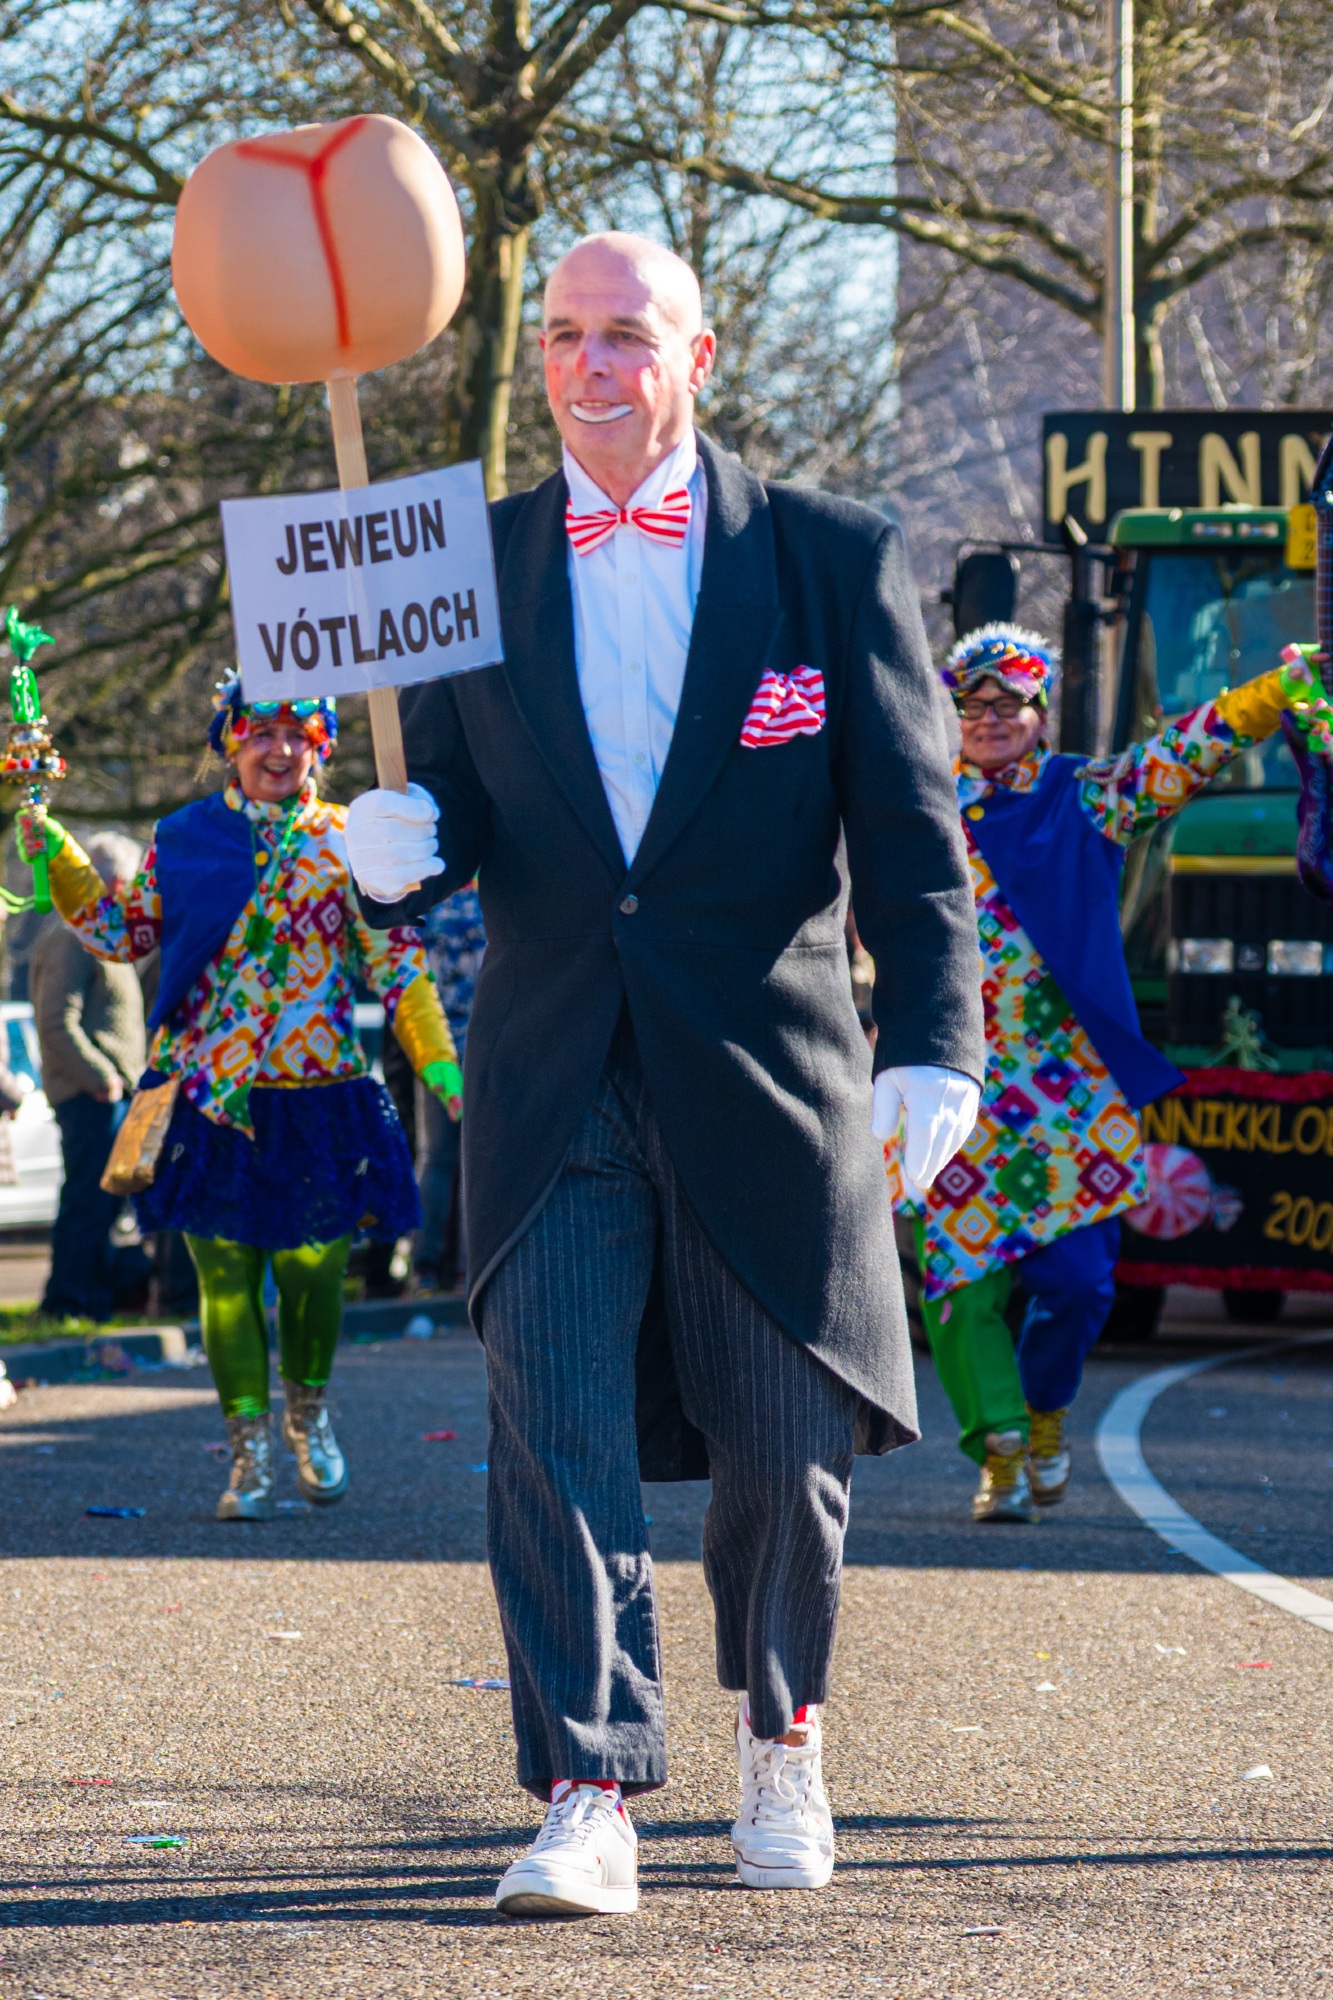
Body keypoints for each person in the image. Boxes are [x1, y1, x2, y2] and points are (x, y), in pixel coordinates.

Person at [344, 231, 984, 1914]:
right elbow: (446, 806)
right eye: (564, 335)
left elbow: (913, 842)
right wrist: (397, 850)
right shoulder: (465, 568)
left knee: (784, 1446)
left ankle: (784, 1737)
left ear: (699, 358)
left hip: (772, 1075)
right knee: (551, 1435)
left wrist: (936, 1043)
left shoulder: (831, 557)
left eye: (626, 335)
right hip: (550, 1075)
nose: (589, 367)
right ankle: (587, 1790)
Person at [897, 622, 1313, 1521]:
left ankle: (1044, 1412)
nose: (991, 718)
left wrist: (1270, 695)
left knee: (1082, 1285)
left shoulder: (1081, 797)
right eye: (973, 704)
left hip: (1070, 1091)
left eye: (1011, 703)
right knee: (961, 1288)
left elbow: (1179, 755)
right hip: (957, 1082)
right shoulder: (915, 807)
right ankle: (999, 1448)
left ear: (1041, 714)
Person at [22, 680, 461, 1518]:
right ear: (231, 741)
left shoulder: (348, 839)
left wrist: (440, 1063)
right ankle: (248, 1452)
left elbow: (398, 966)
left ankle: (309, 1414)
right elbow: (123, 931)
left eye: (298, 733)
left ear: (320, 747)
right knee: (225, 1285)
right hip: (210, 1097)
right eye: (261, 732)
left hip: (319, 1099)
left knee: (312, 1276)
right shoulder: (185, 836)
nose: (279, 749)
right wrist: (60, 856)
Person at [31, 832, 147, 1322]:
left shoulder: (106, 938)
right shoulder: (72, 937)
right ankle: (67, 1302)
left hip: (110, 1092)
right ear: (116, 883)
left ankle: (93, 1302)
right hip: (90, 1094)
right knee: (86, 1199)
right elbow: (55, 1020)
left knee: (104, 1206)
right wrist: (102, 1079)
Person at [413, 883, 485, 1292]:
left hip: (437, 1048)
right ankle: (468, 1270)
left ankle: (424, 1267)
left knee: (435, 1160)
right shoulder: (488, 903)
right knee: (476, 1158)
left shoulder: (427, 908)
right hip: (483, 1046)